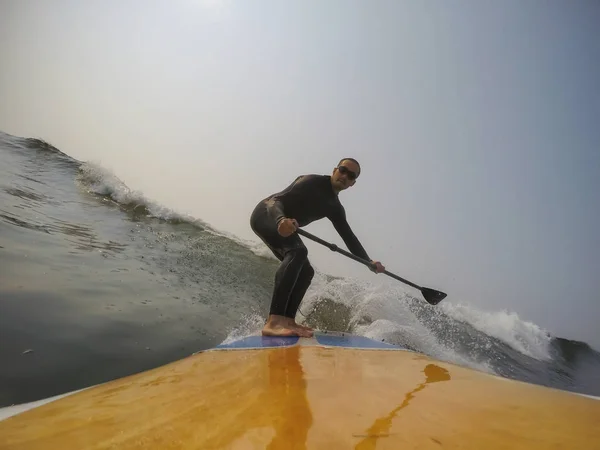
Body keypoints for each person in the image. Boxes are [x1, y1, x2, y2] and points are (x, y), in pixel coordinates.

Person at [250, 158, 385, 338]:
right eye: (343, 170)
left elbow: (349, 237)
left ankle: (288, 320)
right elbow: (274, 201)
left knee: (307, 272)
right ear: (335, 170)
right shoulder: (311, 182)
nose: (344, 176)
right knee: (298, 252)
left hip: (284, 225)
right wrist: (280, 220)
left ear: (353, 183)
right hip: (266, 215)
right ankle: (274, 322)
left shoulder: (335, 208)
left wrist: (368, 261)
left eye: (350, 175)